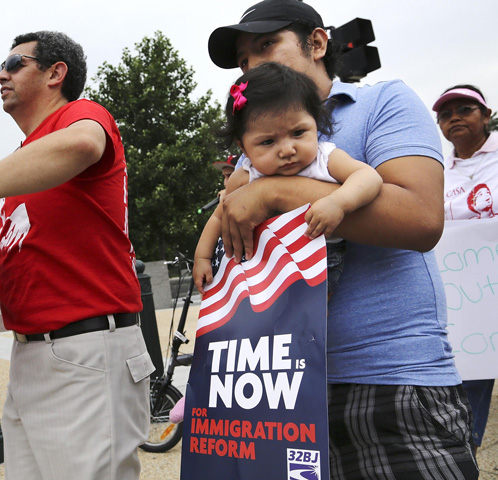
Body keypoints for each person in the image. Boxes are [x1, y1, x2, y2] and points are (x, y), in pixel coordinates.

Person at [207, 0, 478, 477]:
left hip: (389, 380)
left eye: (266, 45)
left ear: (317, 42)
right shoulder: (250, 153)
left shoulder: (381, 100)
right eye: (244, 60)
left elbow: (419, 219)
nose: (252, 65)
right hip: (275, 389)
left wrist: (274, 191)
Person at [0, 31, 153, 480]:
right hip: (36, 354)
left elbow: (82, 145)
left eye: (15, 63)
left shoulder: (82, 117)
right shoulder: (26, 160)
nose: (1, 73)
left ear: (56, 73)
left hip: (85, 349)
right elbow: (29, 255)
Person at [194, 62, 381, 298]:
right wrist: (202, 257)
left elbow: (368, 177)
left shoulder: (325, 158)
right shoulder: (245, 175)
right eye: (268, 142)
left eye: (298, 133)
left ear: (315, 123)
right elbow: (219, 216)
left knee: (308, 312)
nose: (287, 149)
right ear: (244, 147)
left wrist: (339, 202)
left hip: (320, 256)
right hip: (262, 258)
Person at [434, 84, 497, 452]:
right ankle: (463, 460)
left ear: (486, 115)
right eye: (445, 114)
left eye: (464, 109)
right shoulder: (439, 174)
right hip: (472, 306)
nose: (454, 117)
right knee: (468, 387)